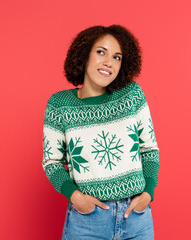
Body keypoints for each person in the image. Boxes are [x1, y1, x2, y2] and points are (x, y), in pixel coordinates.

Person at [42, 24, 159, 240]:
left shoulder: (132, 95)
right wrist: (75, 196)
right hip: (87, 221)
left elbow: (149, 149)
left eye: (117, 57)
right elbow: (52, 161)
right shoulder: (60, 104)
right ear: (84, 55)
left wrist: (148, 192)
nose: (108, 62)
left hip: (136, 217)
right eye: (101, 52)